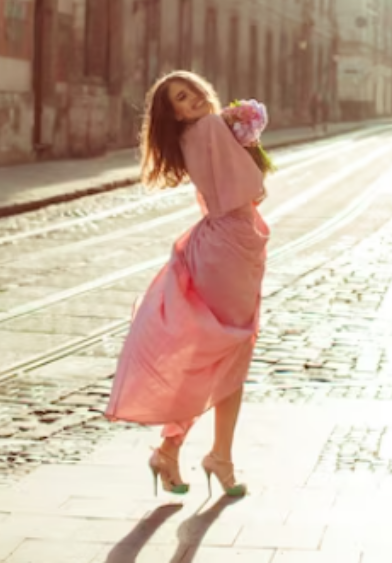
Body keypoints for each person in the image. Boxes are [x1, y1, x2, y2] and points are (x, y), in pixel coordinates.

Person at [106, 71, 269, 498]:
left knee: (219, 355)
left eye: (193, 90)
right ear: (173, 112)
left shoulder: (191, 137)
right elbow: (254, 189)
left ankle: (174, 451)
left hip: (225, 246)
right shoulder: (212, 128)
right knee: (231, 354)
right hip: (229, 249)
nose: (193, 98)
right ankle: (216, 457)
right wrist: (247, 141)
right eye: (182, 97)